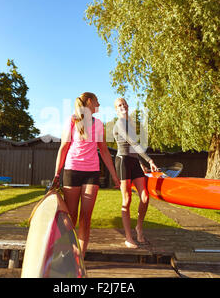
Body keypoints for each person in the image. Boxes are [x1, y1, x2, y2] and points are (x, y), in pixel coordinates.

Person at [54, 92, 120, 258]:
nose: (99, 104)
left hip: (92, 172)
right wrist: (56, 174)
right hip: (72, 170)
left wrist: (114, 175)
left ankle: (80, 257)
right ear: (90, 101)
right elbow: (63, 148)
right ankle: (65, 253)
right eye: (97, 101)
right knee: (71, 217)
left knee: (85, 217)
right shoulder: (72, 120)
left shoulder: (98, 124)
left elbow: (104, 151)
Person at [113, 98, 158, 248]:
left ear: (127, 105)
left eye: (124, 103)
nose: (123, 106)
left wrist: (140, 163)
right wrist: (149, 160)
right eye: (119, 105)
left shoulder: (129, 124)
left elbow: (133, 148)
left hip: (133, 161)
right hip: (123, 162)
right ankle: (128, 237)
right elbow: (133, 143)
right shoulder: (120, 123)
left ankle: (139, 227)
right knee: (127, 200)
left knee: (145, 197)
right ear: (116, 109)